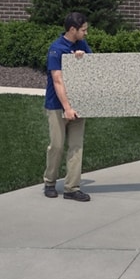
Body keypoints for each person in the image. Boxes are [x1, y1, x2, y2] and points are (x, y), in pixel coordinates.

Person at [43, 12, 92, 201]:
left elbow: (94, 68)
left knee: (76, 146)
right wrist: (67, 108)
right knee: (56, 145)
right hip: (57, 106)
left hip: (79, 104)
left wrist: (82, 59)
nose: (85, 33)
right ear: (73, 29)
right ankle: (49, 182)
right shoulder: (56, 49)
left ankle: (71, 188)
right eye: (83, 30)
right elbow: (57, 80)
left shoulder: (82, 45)